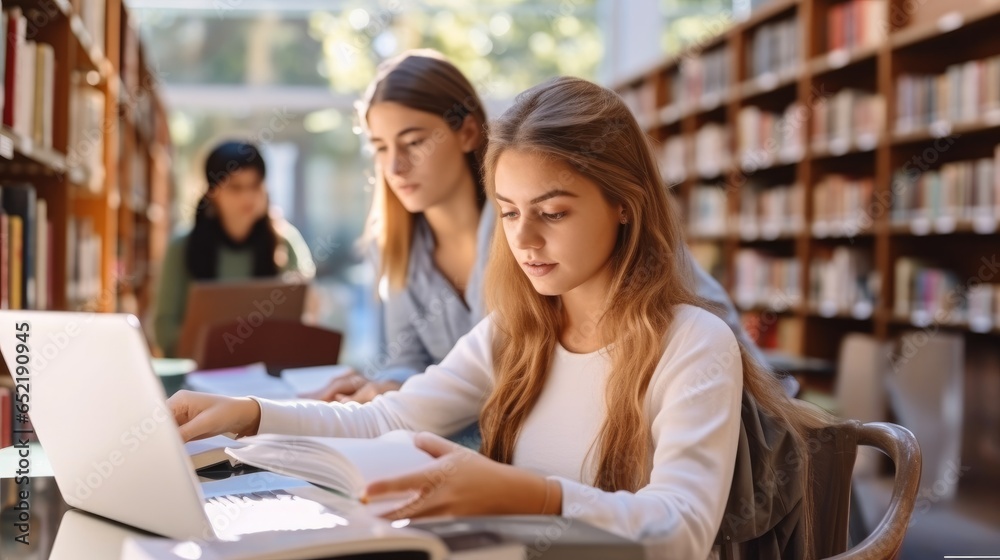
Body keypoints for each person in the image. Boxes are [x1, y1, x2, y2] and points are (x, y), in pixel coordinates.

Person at [168, 77, 825, 558]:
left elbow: (679, 532)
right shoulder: (520, 330)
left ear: (624, 204)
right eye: (509, 212)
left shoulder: (692, 342)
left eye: (554, 211)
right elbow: (387, 418)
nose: (525, 240)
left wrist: (524, 494)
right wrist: (250, 414)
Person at [305, 49, 797, 405]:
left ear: (467, 132)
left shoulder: (559, 229)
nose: (395, 167)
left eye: (413, 142)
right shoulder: (396, 248)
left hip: (687, 410)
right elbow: (412, 360)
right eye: (380, 148)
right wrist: (389, 387)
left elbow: (699, 326)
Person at [154, 141, 316, 357]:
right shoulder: (182, 246)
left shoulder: (285, 241)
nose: (247, 197)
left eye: (255, 186)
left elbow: (305, 318)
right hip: (199, 377)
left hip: (269, 374)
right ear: (213, 192)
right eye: (236, 187)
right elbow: (164, 330)